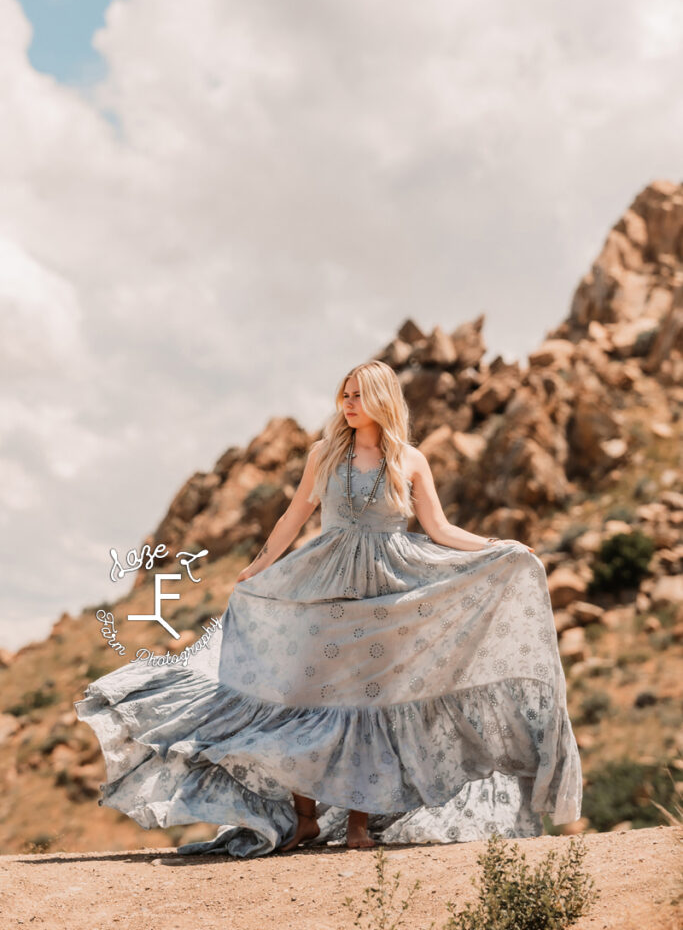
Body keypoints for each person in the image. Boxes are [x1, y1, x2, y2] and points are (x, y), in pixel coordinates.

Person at [74, 360, 582, 858]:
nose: (349, 403)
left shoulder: (410, 460)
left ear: (383, 399)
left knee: (369, 706)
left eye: (359, 394)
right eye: (346, 393)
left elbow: (440, 529)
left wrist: (498, 548)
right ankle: (307, 818)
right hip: (323, 584)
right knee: (301, 698)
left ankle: (359, 825)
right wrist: (259, 566)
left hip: (388, 594)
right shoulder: (325, 453)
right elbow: (295, 514)